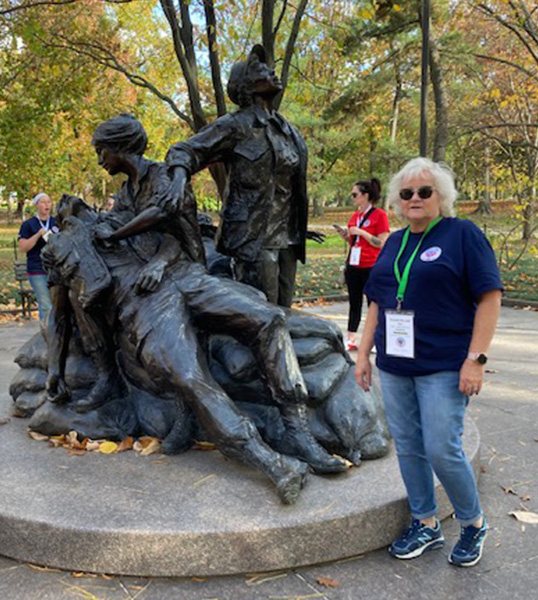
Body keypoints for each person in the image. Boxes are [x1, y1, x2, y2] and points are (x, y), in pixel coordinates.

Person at [88, 115, 346, 476]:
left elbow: (169, 220)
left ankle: (297, 430)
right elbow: (138, 237)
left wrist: (146, 253)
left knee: (268, 317)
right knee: (176, 355)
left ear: (118, 147)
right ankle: (186, 417)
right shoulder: (127, 194)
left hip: (191, 275)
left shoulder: (166, 176)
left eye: (102, 151)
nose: (100, 160)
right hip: (157, 291)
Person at [355, 157, 502, 568]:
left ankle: (473, 523)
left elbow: (490, 297)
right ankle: (425, 522)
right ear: (398, 202)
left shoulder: (462, 235)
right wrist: (363, 354)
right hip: (395, 364)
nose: (415, 199)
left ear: (442, 198)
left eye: (425, 191)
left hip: (444, 364)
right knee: (408, 447)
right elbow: (377, 304)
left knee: (442, 447)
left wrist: (476, 359)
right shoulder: (395, 243)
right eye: (407, 193)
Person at [164, 44, 316, 306]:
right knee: (263, 319)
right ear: (246, 85)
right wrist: (178, 179)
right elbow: (184, 151)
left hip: (287, 239)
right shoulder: (236, 125)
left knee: (285, 315)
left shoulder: (287, 130)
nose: (271, 71)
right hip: (253, 240)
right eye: (261, 69)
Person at [336, 178, 390, 351]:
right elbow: (354, 241)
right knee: (354, 302)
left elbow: (382, 242)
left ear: (365, 195)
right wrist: (347, 236)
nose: (352, 198)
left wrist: (362, 232)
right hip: (354, 264)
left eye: (355, 195)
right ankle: (351, 338)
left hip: (371, 265)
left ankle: (376, 339)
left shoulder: (379, 215)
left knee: (373, 303)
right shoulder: (355, 216)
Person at [18, 193, 59, 324]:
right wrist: (37, 235)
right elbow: (23, 247)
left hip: (56, 269)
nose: (47, 205)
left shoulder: (56, 222)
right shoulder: (28, 224)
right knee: (46, 305)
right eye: (43, 202)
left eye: (49, 202)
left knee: (57, 305)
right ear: (36, 205)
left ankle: (57, 334)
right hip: (37, 269)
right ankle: (48, 334)